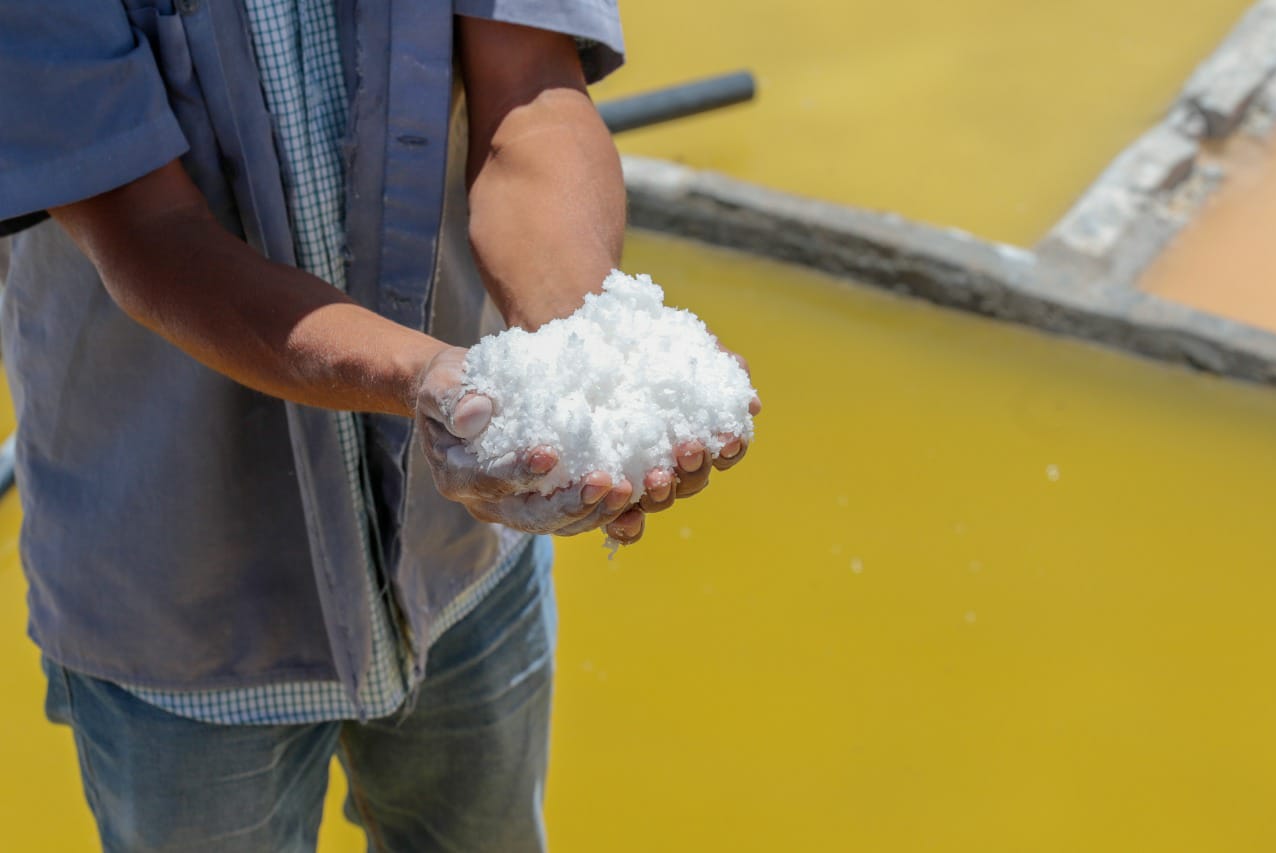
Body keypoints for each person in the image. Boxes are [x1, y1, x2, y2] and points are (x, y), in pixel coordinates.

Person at [0, 1, 757, 850]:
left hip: (461, 566)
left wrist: (584, 349)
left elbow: (529, 94)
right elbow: (149, 230)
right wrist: (423, 377)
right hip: (180, 586)